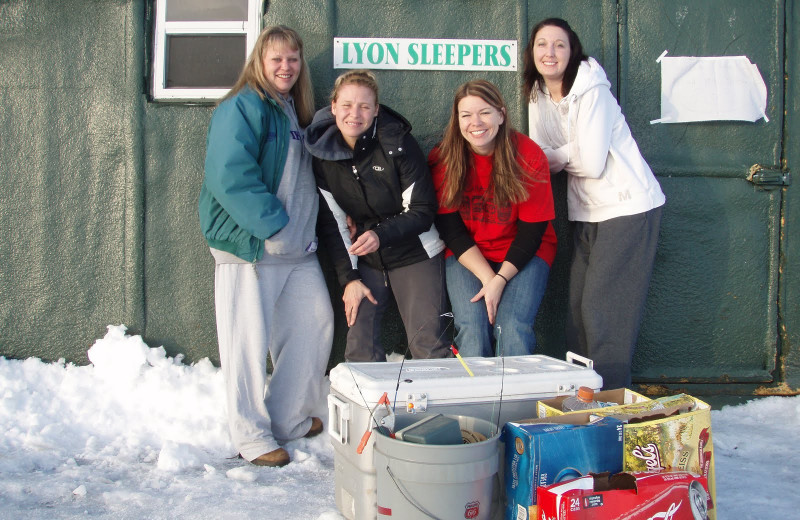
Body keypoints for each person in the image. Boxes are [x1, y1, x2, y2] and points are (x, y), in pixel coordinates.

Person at [198, 26, 333, 467]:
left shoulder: (295, 112)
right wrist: (273, 226)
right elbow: (228, 175)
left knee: (314, 327)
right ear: (259, 61)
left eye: (293, 59)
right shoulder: (242, 107)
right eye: (276, 58)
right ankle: (251, 437)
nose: (285, 67)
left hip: (299, 251)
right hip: (252, 248)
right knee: (246, 346)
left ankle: (287, 418)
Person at [524, 18, 665, 389]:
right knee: (577, 311)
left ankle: (612, 403)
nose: (550, 53)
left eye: (559, 45)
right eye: (542, 44)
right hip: (585, 209)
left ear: (573, 52)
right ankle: (583, 395)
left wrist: (564, 154)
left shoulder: (591, 88)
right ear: (532, 52)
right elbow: (541, 158)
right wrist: (573, 151)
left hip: (627, 207)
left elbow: (591, 163)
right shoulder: (537, 94)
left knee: (604, 313)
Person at [305, 69, 449, 362]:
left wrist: (379, 234)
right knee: (359, 345)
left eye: (364, 106)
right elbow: (333, 225)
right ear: (333, 107)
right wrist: (350, 280)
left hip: (415, 251)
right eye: (346, 105)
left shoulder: (397, 142)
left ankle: (433, 407)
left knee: (428, 344)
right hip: (366, 259)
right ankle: (371, 407)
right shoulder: (322, 154)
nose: (354, 114)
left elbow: (422, 210)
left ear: (376, 110)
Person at [429, 79, 557, 358]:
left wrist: (499, 281)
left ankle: (514, 400)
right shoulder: (444, 158)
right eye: (466, 115)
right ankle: (477, 400)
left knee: (511, 327)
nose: (476, 122)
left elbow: (532, 233)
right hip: (470, 254)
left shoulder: (527, 154)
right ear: (457, 120)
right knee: (471, 327)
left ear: (501, 115)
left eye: (485, 112)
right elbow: (450, 229)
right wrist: (489, 278)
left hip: (525, 250)